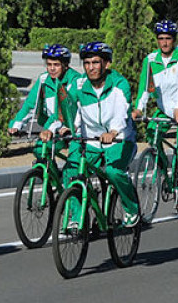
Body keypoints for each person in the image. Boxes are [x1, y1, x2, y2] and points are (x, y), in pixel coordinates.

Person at [47, 42, 139, 226]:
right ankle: (77, 217)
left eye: (95, 62)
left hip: (120, 139)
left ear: (106, 63)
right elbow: (66, 109)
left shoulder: (119, 83)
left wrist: (113, 131)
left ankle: (131, 208)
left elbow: (122, 111)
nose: (90, 67)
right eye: (87, 63)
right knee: (71, 170)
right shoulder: (79, 84)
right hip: (91, 140)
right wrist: (54, 128)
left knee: (113, 172)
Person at [133, 20, 178, 214]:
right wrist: (139, 109)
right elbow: (144, 87)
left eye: (168, 38)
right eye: (161, 38)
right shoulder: (151, 60)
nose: (164, 42)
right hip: (163, 108)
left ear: (174, 40)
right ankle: (161, 167)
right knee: (152, 134)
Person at [9, 45, 83, 164]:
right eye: (49, 64)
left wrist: (50, 129)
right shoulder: (43, 79)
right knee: (40, 150)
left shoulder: (75, 80)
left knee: (74, 165)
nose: (52, 68)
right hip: (54, 128)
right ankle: (50, 173)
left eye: (56, 65)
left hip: (75, 128)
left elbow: (64, 110)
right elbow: (30, 104)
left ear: (65, 65)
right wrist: (17, 125)